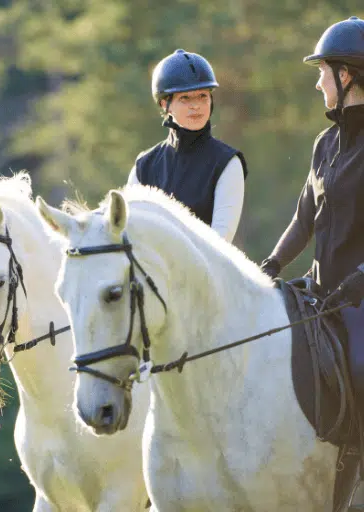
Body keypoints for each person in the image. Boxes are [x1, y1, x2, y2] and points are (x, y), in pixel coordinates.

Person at [260, 14, 364, 446]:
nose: (317, 83)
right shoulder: (324, 143)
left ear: (344, 75)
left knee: (360, 367)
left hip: (360, 298)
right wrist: (270, 265)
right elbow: (304, 218)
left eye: (322, 73)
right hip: (321, 294)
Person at [127, 49, 248, 243]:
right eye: (185, 98)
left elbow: (219, 242)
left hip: (205, 271)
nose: (196, 106)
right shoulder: (144, 166)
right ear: (165, 103)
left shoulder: (227, 162)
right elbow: (130, 232)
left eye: (202, 96)